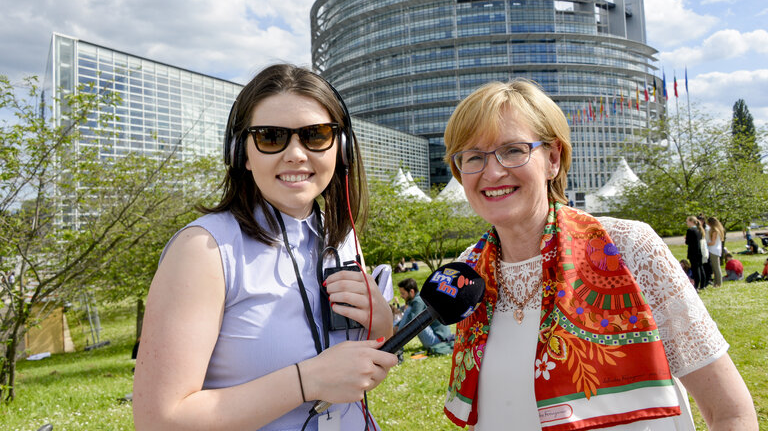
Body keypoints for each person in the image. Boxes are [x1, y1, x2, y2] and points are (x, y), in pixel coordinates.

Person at [441, 79, 757, 430]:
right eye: (473, 157)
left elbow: (730, 412)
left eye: (513, 150)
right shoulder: (468, 272)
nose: (493, 171)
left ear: (553, 158)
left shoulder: (628, 247)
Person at [133, 64, 397, 431]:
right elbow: (160, 420)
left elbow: (361, 360)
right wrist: (307, 381)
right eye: (271, 137)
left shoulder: (341, 237)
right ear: (242, 153)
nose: (296, 154)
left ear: (342, 148)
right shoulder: (204, 250)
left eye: (316, 135)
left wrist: (382, 321)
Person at [395, 278, 454, 355]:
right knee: (407, 315)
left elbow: (412, 323)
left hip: (437, 342)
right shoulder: (420, 298)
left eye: (403, 293)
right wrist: (396, 325)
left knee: (412, 316)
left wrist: (397, 333)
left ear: (412, 292)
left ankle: (397, 344)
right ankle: (397, 341)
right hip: (438, 339)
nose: (401, 296)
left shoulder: (418, 301)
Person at [685, 216, 707, 290]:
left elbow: (687, 242)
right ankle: (703, 284)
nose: (687, 223)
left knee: (695, 269)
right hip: (699, 251)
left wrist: (686, 238)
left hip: (693, 252)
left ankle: (696, 285)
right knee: (700, 267)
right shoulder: (699, 230)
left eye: (687, 221)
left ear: (691, 221)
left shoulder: (690, 230)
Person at [706, 217, 725, 287]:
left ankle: (719, 283)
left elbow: (713, 242)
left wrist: (705, 243)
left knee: (716, 268)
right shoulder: (718, 229)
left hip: (713, 250)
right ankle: (716, 283)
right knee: (716, 267)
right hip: (716, 250)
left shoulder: (714, 231)